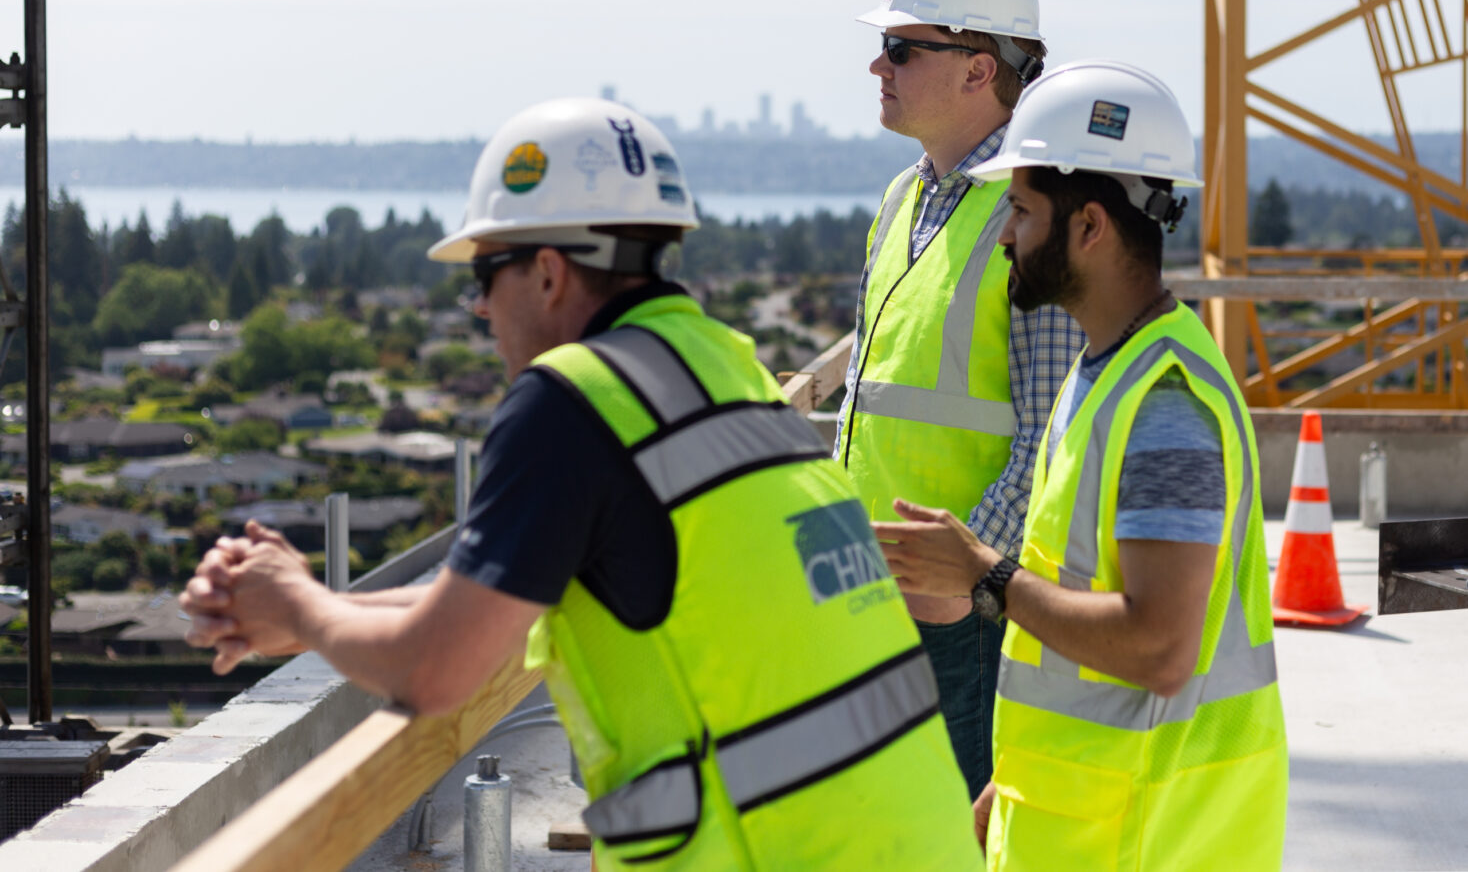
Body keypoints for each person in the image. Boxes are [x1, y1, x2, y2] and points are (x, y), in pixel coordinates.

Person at [182, 98, 983, 871]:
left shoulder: (572, 402)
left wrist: (301, 606)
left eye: (484, 275)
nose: (479, 310)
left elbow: (437, 668)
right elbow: (503, 601)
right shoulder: (728, 370)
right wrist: (315, 612)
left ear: (549, 273)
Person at [874, 61, 1289, 868]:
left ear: (1089, 227)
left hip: (1146, 835)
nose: (1002, 236)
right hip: (1086, 818)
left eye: (1021, 213)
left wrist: (983, 574)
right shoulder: (1101, 373)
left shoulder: (1166, 405)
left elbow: (1159, 647)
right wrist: (1006, 786)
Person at [837, 0, 1087, 798]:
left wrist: (970, 584)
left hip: (961, 617)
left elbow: (1052, 430)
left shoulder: (1036, 210)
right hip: (871, 596)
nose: (879, 66)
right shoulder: (904, 196)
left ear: (981, 70)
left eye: (903, 49)